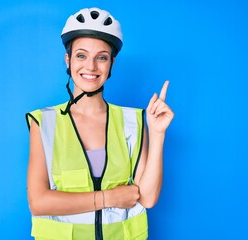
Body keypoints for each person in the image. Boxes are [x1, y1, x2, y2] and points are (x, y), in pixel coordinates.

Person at [25, 7, 174, 240]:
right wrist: (109, 198)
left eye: (101, 57)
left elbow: (148, 198)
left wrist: (157, 134)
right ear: (68, 59)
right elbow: (39, 202)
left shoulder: (132, 121)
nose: (91, 66)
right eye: (81, 55)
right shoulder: (44, 122)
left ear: (111, 63)